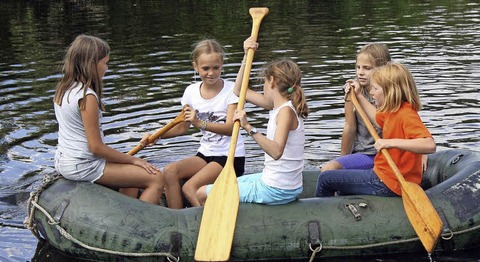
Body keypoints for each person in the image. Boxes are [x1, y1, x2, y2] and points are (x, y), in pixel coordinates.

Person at [53, 34, 165, 204]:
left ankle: (126, 210)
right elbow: (96, 147)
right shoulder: (87, 97)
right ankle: (136, 223)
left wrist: (128, 162)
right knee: (156, 178)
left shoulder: (64, 89)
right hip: (83, 166)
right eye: (105, 63)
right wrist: (135, 159)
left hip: (64, 161)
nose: (106, 68)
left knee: (133, 173)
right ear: (91, 64)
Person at [196, 38, 309, 205]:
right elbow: (238, 90)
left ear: (271, 81)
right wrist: (246, 57)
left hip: (277, 189)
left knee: (202, 194)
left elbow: (276, 152)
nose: (263, 85)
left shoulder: (285, 112)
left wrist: (248, 127)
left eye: (264, 81)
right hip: (277, 183)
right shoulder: (276, 106)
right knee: (217, 186)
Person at [140, 39, 246, 209]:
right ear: (196, 67)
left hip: (230, 157)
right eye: (205, 68)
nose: (211, 73)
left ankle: (207, 224)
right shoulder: (191, 92)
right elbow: (182, 126)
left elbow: (230, 129)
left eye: (215, 68)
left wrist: (200, 123)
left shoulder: (232, 90)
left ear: (222, 65)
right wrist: (156, 136)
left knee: (191, 187)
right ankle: (176, 218)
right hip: (205, 154)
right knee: (170, 171)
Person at [315, 62, 436, 197]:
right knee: (342, 186)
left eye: (375, 89)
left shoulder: (406, 115)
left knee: (325, 179)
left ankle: (316, 215)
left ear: (390, 91)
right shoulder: (394, 110)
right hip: (383, 175)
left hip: (387, 182)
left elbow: (429, 145)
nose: (371, 92)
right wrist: (359, 95)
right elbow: (376, 118)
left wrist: (389, 142)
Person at [320, 43, 390, 172]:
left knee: (328, 169)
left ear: (382, 68)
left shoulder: (391, 93)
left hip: (382, 154)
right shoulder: (351, 91)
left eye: (367, 68)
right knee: (330, 169)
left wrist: (421, 155)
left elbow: (407, 124)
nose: (360, 73)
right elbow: (349, 127)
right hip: (362, 153)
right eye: (358, 67)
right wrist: (343, 159)